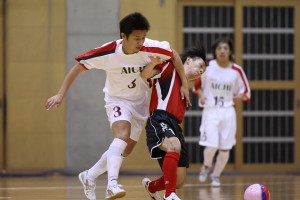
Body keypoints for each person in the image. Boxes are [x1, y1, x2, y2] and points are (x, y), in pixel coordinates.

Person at [44, 12, 190, 200]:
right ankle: (112, 184)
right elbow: (78, 67)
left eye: (143, 37)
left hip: (140, 104)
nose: (141, 42)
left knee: (124, 150)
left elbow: (175, 56)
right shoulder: (108, 52)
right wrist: (60, 94)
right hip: (117, 100)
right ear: (124, 36)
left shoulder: (150, 47)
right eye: (137, 38)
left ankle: (89, 175)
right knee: (122, 135)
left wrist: (185, 84)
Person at [141, 43, 207, 200]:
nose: (200, 71)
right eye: (200, 65)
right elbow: (145, 75)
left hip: (175, 126)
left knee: (179, 180)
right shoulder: (169, 68)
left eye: (203, 71)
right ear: (189, 60)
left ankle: (152, 187)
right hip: (159, 118)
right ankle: (169, 195)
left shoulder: (186, 91)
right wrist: (152, 64)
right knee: (174, 145)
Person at [193, 37, 251, 187]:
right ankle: (206, 166)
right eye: (219, 48)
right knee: (211, 144)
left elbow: (246, 92)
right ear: (215, 51)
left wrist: (239, 96)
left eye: (225, 48)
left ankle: (216, 175)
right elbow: (196, 86)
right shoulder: (207, 66)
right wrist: (201, 95)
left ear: (230, 51)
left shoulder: (236, 70)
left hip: (228, 112)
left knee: (225, 149)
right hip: (211, 110)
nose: (222, 51)